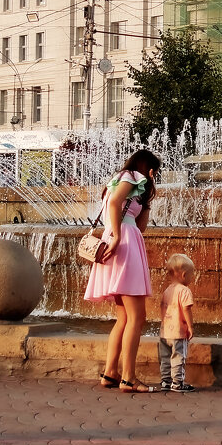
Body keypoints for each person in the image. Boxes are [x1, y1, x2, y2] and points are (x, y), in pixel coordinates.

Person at [83, 149, 160, 393]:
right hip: (123, 242)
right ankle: (128, 378)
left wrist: (147, 199)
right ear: (147, 166)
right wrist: (116, 236)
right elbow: (115, 204)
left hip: (122, 239)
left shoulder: (130, 183)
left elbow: (142, 226)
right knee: (137, 318)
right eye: (154, 170)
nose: (154, 175)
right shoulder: (131, 176)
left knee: (124, 318)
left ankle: (110, 372)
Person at [158, 253, 196, 392]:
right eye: (191, 275)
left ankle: (165, 381)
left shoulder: (168, 290)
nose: (192, 278)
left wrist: (164, 323)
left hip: (165, 331)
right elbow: (186, 309)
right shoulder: (185, 291)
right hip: (178, 332)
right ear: (184, 275)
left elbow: (162, 307)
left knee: (165, 357)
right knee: (178, 357)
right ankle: (178, 383)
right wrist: (190, 327)